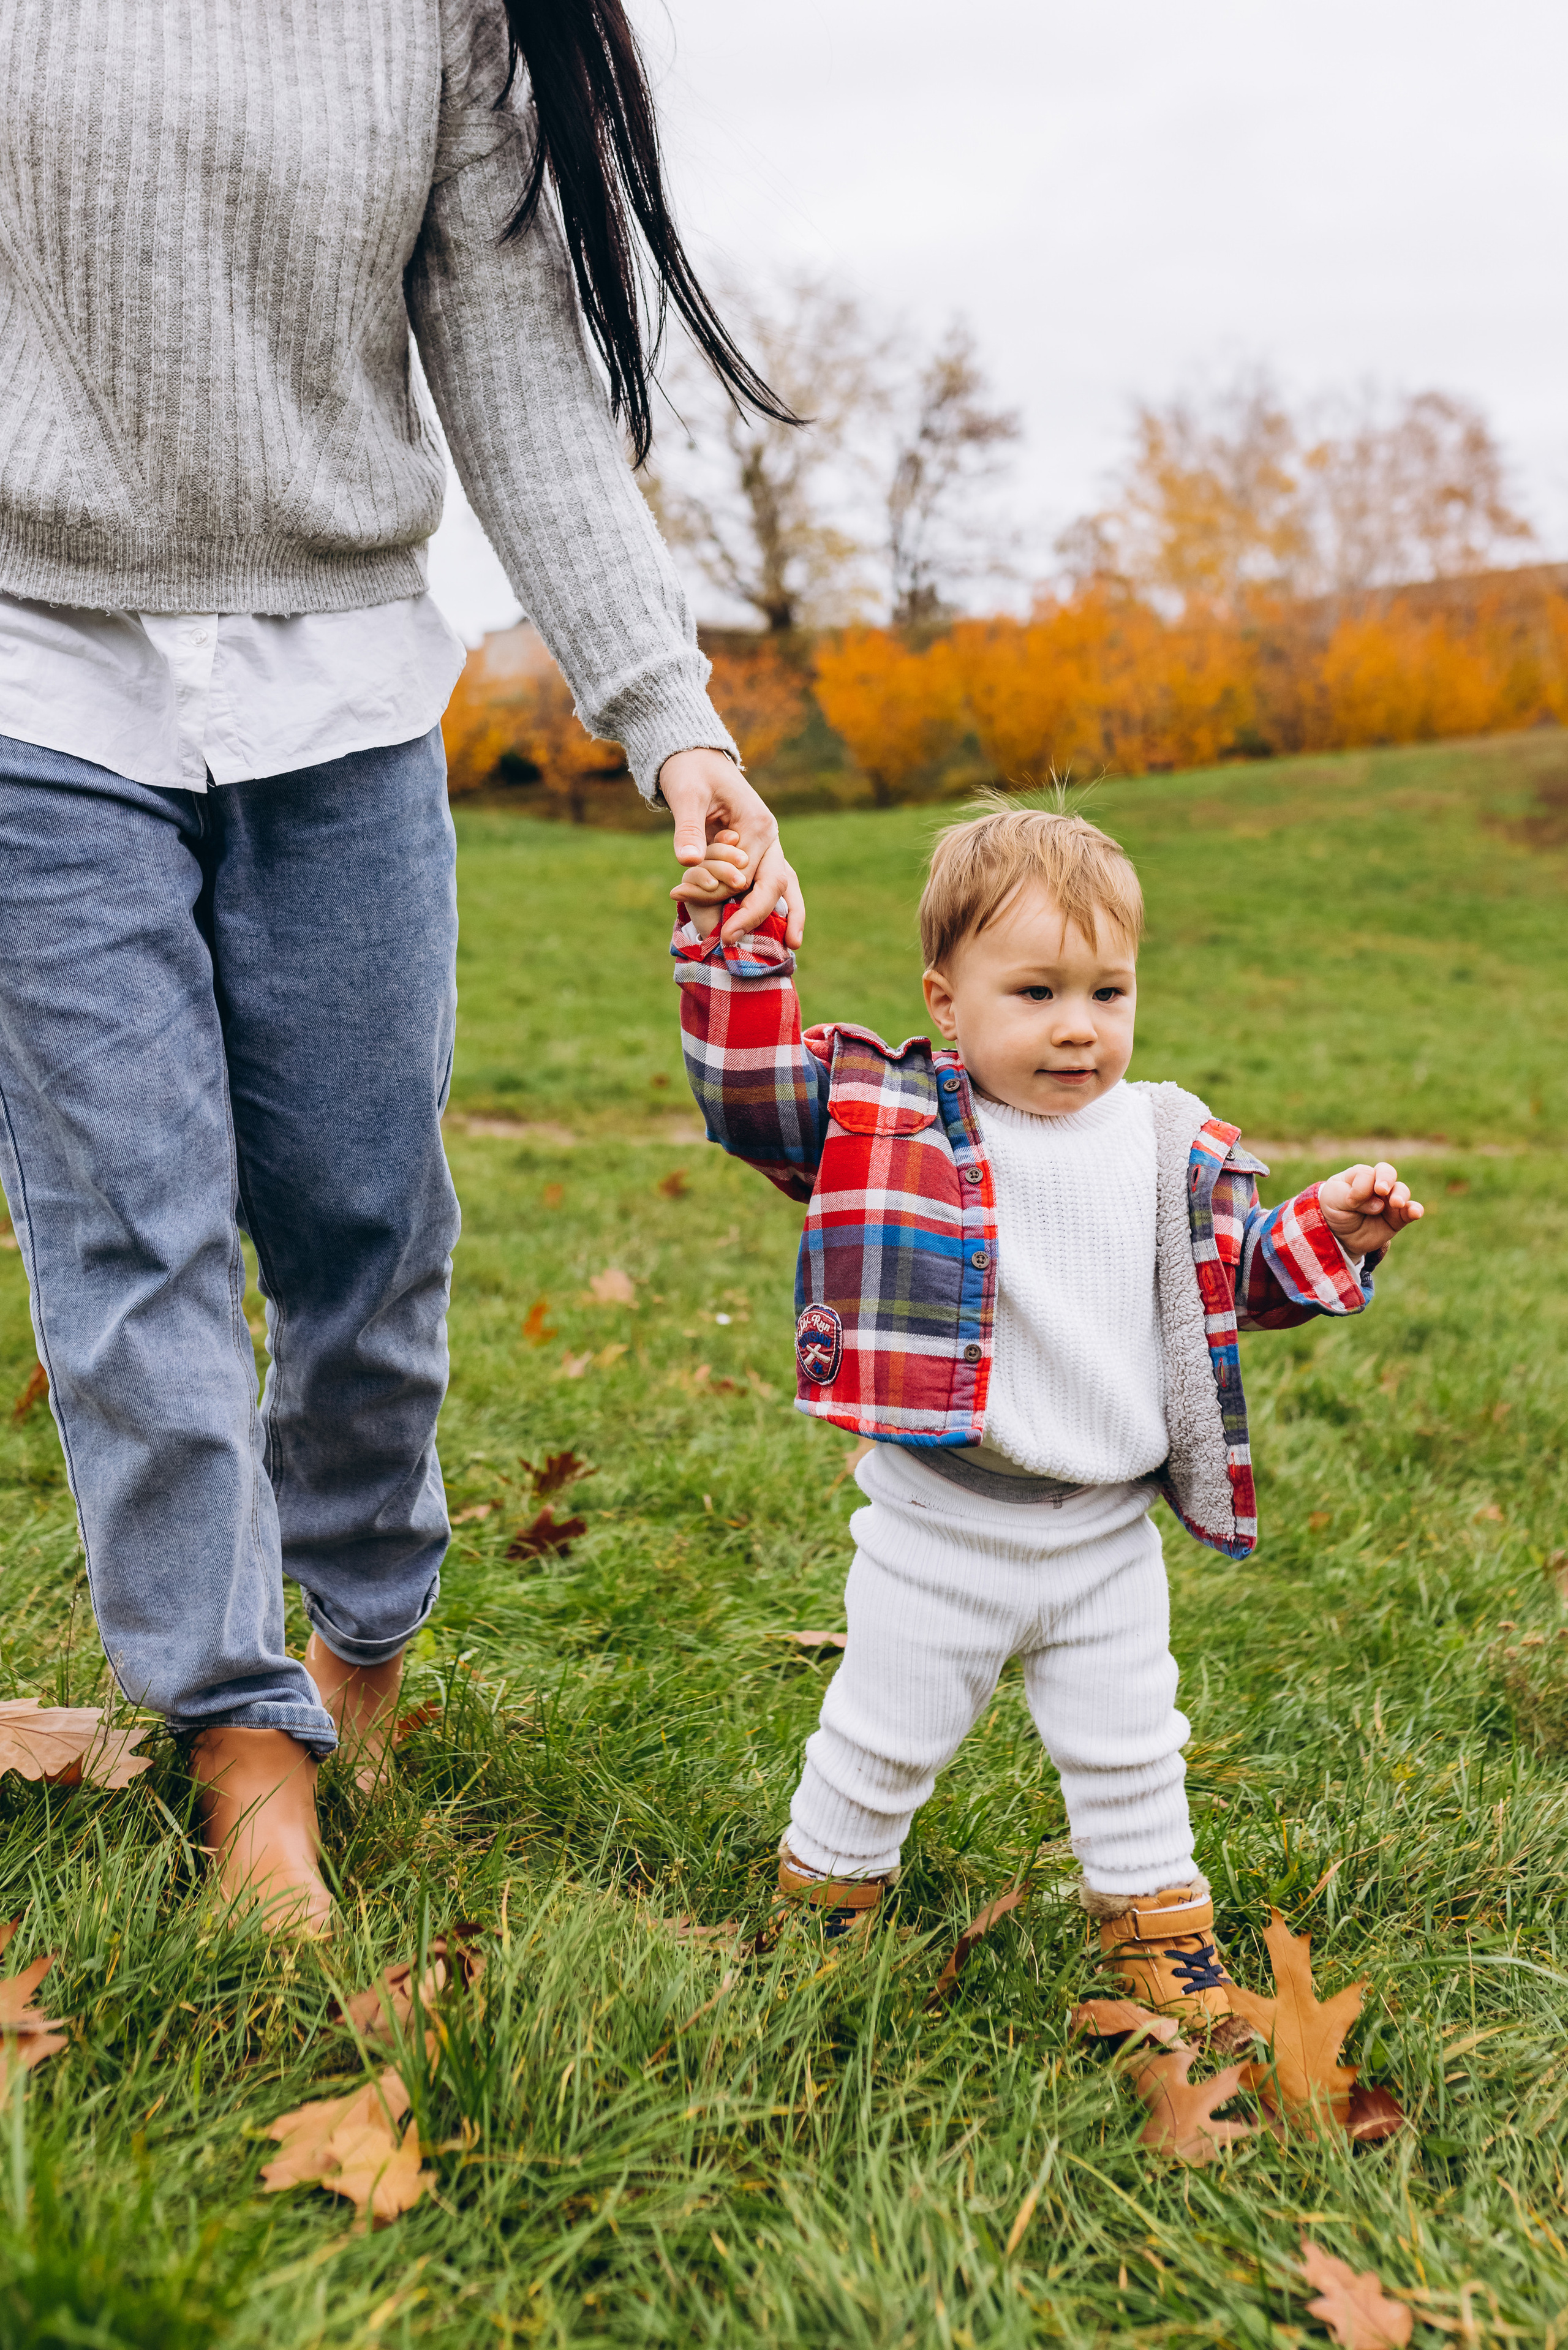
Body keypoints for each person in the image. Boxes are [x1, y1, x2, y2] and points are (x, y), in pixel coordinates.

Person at [0, 0, 802, 1934]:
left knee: (367, 1215)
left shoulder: (447, 15)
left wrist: (670, 716)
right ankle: (240, 1736)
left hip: (340, 690)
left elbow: (516, 370)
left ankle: (359, 1626)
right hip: (33, 672)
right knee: (133, 1230)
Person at [668, 804, 1422, 2017]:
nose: (1077, 1027)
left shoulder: (1165, 1139)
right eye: (1032, 992)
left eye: (1106, 992)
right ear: (945, 1000)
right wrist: (733, 949)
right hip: (938, 1528)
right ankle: (820, 1916)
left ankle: (1161, 1945)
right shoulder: (887, 1117)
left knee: (1132, 1751)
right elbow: (747, 1098)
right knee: (878, 1740)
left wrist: (1325, 1229)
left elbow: (1228, 1275)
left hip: (1101, 1535)